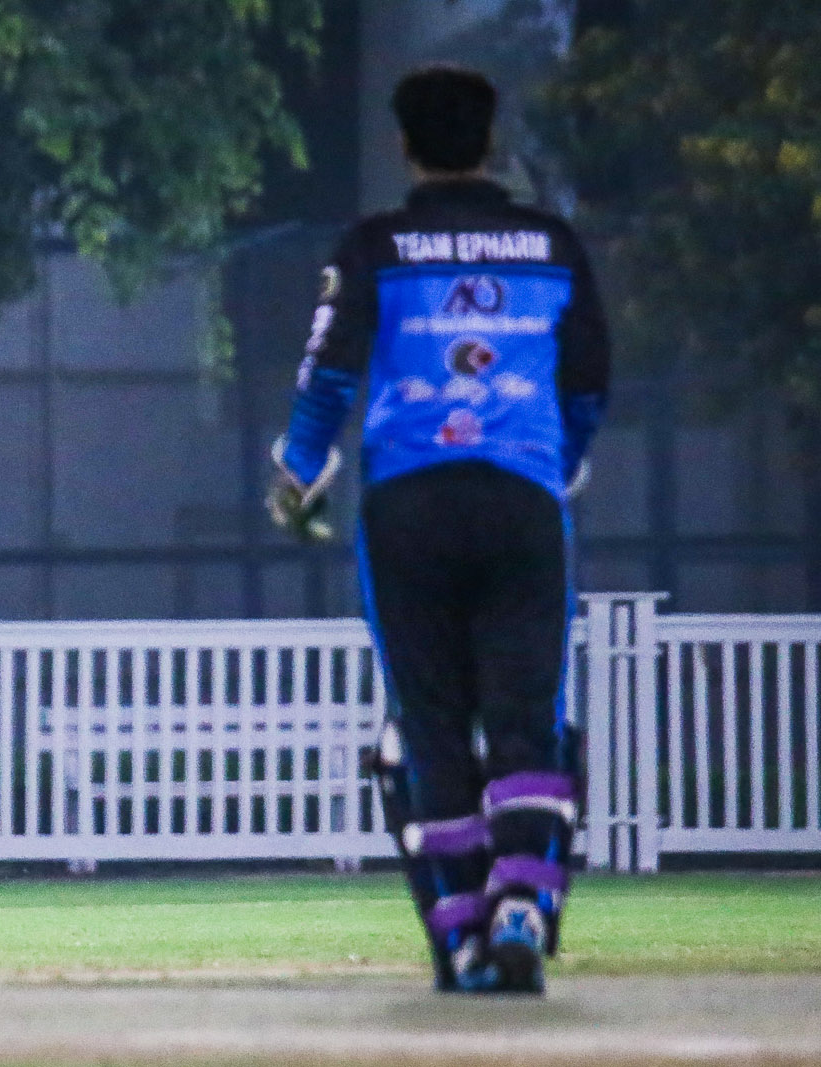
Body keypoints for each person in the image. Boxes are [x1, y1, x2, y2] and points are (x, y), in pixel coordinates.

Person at [267, 66, 609, 994]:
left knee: (432, 725)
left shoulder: (374, 245)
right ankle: (522, 906)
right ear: (490, 142)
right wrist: (561, 459)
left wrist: (300, 472)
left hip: (408, 507)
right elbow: (587, 379)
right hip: (522, 499)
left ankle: (461, 933)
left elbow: (328, 373)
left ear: (405, 147)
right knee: (527, 717)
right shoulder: (551, 243)